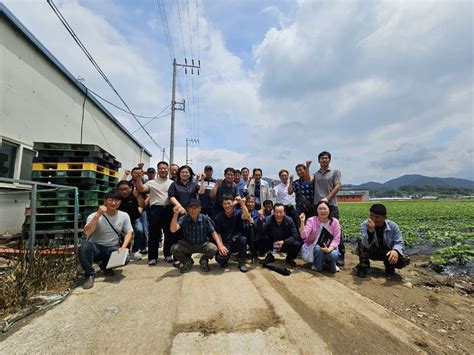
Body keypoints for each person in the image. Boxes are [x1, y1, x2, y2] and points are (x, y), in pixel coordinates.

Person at [78, 191, 133, 289]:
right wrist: (98, 215)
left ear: (120, 202)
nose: (113, 203)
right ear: (105, 201)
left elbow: (129, 232)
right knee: (84, 247)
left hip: (112, 248)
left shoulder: (124, 215)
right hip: (95, 247)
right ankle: (89, 274)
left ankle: (106, 266)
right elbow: (87, 232)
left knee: (126, 258)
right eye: (110, 200)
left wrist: (123, 247)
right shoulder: (93, 215)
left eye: (117, 200)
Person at [170, 199, 227, 273]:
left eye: (196, 207)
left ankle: (204, 259)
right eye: (191, 207)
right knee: (174, 249)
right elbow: (173, 229)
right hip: (188, 245)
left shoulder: (205, 218)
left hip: (202, 244)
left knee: (213, 248)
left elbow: (213, 232)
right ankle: (187, 261)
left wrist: (220, 245)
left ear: (200, 209)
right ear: (187, 209)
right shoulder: (183, 219)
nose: (193, 210)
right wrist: (175, 214)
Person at [309, 152, 345, 266]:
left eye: (326, 158)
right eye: (322, 158)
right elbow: (308, 179)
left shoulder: (335, 172)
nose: (324, 160)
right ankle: (321, 253)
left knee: (335, 228)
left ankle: (340, 254)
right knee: (318, 229)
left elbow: (338, 186)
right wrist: (307, 167)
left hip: (331, 205)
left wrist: (327, 199)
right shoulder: (316, 174)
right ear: (319, 160)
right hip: (318, 205)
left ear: (329, 160)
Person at [356, 204, 410, 278]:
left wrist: (395, 251)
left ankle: (389, 268)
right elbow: (365, 243)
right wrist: (370, 232)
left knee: (403, 261)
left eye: (377, 217)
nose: (374, 219)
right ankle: (363, 266)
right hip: (372, 250)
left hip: (386, 251)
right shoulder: (365, 224)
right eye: (371, 216)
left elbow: (399, 242)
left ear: (385, 217)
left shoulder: (393, 226)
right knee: (361, 245)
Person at [135, 161, 174, 265]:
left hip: (169, 209)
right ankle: (152, 257)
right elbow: (141, 189)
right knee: (153, 234)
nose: (163, 170)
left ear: (168, 169)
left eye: (165, 168)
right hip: (155, 210)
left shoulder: (172, 183)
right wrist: (139, 178)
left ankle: (168, 255)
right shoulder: (151, 182)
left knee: (169, 234)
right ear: (158, 170)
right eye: (161, 168)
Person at [299, 201, 341, 274]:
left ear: (329, 210)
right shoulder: (311, 220)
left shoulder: (334, 222)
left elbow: (336, 239)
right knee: (318, 249)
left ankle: (329, 264)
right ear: (316, 210)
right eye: (320, 209)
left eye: (325, 209)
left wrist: (329, 249)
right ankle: (318, 266)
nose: (322, 211)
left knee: (333, 254)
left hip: (330, 247)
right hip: (314, 247)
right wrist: (302, 222)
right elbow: (303, 235)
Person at [214, 195, 250, 272]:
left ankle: (242, 262)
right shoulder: (219, 217)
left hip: (237, 241)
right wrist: (220, 246)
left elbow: (246, 216)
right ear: (222, 205)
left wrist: (242, 204)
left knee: (243, 239)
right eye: (224, 204)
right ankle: (226, 259)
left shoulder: (239, 212)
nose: (227, 206)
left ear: (232, 203)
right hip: (226, 243)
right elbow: (217, 233)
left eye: (229, 203)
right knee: (220, 259)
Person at [117, 180, 146, 260]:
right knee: (124, 235)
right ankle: (125, 252)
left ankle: (135, 250)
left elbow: (143, 205)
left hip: (135, 218)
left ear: (131, 188)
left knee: (139, 231)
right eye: (121, 189)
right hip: (122, 220)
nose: (124, 191)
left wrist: (137, 197)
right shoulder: (117, 197)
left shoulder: (135, 195)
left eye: (126, 189)